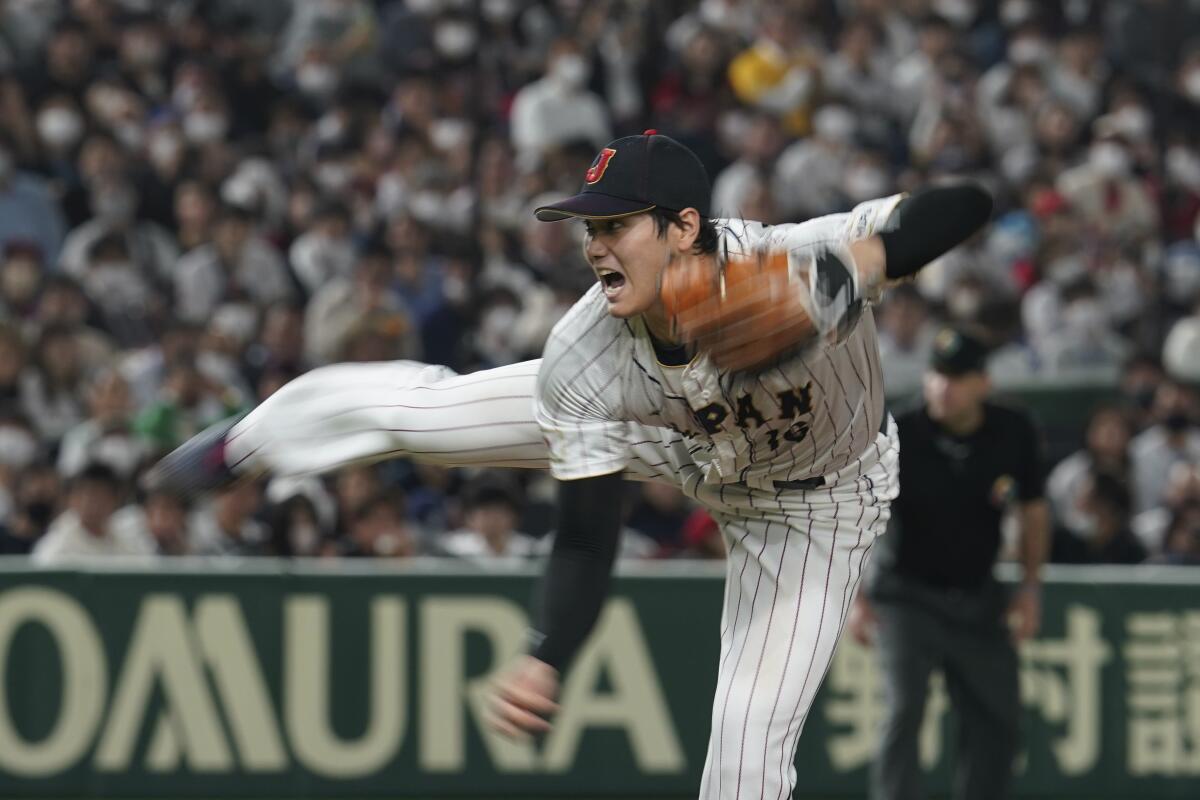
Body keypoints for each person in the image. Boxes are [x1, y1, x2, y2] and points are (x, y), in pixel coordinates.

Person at [147, 132, 992, 799]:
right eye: (591, 228)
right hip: (669, 437)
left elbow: (966, 202)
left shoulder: (798, 256)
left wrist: (859, 272)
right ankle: (246, 442)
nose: (594, 247)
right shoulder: (584, 352)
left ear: (684, 227)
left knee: (748, 737)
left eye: (615, 225)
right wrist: (549, 651)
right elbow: (588, 536)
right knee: (424, 413)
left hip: (818, 504)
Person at [849, 327, 1049, 800]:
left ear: (983, 383)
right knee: (904, 710)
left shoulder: (1013, 429)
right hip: (905, 595)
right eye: (937, 374)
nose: (943, 386)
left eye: (957, 377)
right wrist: (854, 596)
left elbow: (1034, 510)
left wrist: (1031, 587)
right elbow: (857, 514)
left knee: (998, 719)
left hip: (978, 596)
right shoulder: (899, 429)